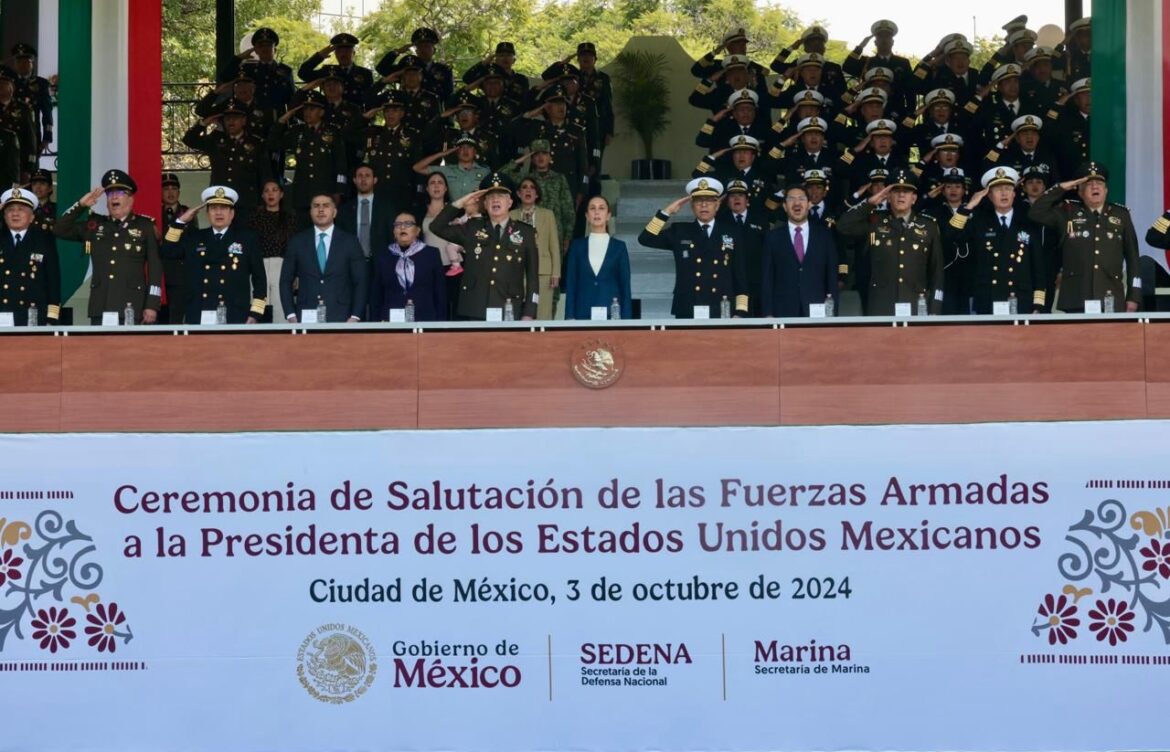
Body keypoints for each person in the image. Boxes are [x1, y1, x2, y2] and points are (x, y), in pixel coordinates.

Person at [1027, 162, 1140, 313]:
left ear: (1106, 190)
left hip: (1111, 296)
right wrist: (1061, 188)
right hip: (1076, 296)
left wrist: (1134, 296)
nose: (1095, 187)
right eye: (1089, 184)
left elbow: (1133, 258)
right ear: (1079, 192)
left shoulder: (1121, 215)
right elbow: (1035, 213)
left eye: (1099, 183)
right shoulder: (1067, 211)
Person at [54, 170, 162, 324]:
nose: (114, 197)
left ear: (131, 198)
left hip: (132, 306)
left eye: (119, 192)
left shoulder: (145, 226)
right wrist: (80, 205)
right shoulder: (95, 225)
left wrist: (152, 305)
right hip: (101, 305)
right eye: (110, 193)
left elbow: (155, 269)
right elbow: (59, 229)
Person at [430, 172, 540, 320]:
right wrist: (461, 203)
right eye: (490, 197)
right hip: (475, 308)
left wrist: (529, 313)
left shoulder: (526, 232)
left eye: (501, 196)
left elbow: (532, 277)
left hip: (509, 308)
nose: (495, 200)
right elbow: (436, 227)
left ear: (510, 203)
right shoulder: (472, 228)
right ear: (485, 204)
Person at [836, 168, 944, 316]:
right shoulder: (875, 221)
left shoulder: (929, 226)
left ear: (914, 198)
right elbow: (843, 226)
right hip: (881, 306)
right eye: (895, 191)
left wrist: (934, 309)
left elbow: (936, 272)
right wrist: (869, 203)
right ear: (887, 196)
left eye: (906, 191)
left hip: (917, 305)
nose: (901, 195)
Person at [637, 177, 749, 318]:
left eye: (709, 201)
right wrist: (667, 212)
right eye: (698, 201)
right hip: (688, 305)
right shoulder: (680, 230)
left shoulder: (731, 232)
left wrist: (740, 311)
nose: (703, 205)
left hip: (723, 306)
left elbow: (740, 275)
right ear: (692, 206)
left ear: (717, 205)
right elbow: (645, 239)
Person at [944, 166, 1046, 314]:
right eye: (998, 190)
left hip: (1022, 300)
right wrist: (970, 206)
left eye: (1008, 189)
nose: (1004, 193)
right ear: (990, 196)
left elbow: (1038, 268)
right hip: (988, 300)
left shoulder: (1028, 223)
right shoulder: (979, 222)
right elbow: (950, 236)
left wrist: (1038, 304)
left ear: (1014, 194)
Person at [162, 186, 267, 324]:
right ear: (207, 214)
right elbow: (168, 252)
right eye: (213, 208)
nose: (218, 213)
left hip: (235, 313)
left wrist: (255, 314)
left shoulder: (247, 239)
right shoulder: (194, 237)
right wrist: (180, 222)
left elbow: (260, 279)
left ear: (232, 214)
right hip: (199, 313)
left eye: (223, 208)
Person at [280, 194, 368, 323]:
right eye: (316, 206)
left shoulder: (350, 241)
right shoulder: (297, 242)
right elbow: (285, 280)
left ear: (334, 212)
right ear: (310, 212)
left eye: (326, 206)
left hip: (342, 316)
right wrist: (290, 314)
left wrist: (355, 316)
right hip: (305, 316)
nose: (320, 210)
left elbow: (361, 281)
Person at [182, 99, 271, 221]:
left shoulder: (256, 143)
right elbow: (189, 140)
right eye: (228, 118)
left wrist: (262, 202)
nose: (231, 121)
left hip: (247, 203)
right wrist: (203, 124)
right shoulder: (216, 140)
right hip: (221, 201)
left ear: (244, 120)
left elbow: (264, 174)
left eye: (235, 118)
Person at [267, 91, 347, 227]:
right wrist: (282, 121)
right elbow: (272, 145)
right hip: (301, 194)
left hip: (325, 192)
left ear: (321, 112)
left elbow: (340, 163)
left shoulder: (333, 132)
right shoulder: (295, 132)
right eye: (305, 109)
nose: (307, 112)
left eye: (312, 109)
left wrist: (339, 190)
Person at [760, 184, 839, 317]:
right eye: (791, 199)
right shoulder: (772, 237)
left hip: (817, 310)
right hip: (783, 311)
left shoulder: (824, 236)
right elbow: (767, 278)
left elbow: (831, 277)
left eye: (801, 199)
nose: (797, 203)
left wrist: (832, 313)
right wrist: (768, 313)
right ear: (785, 206)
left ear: (809, 204)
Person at [501, 139, 575, 257]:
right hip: (528, 230)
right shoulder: (526, 179)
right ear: (532, 157)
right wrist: (523, 158)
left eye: (544, 153)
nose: (540, 157)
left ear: (550, 157)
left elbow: (568, 209)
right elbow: (501, 175)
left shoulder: (559, 179)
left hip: (554, 233)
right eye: (536, 154)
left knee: (552, 271)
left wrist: (567, 237)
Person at [369, 210, 446, 322]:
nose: (402, 227)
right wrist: (375, 323)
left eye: (408, 224)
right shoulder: (384, 256)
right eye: (398, 225)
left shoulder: (431, 254)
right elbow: (377, 294)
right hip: (391, 320)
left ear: (418, 230)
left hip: (425, 318)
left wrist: (440, 324)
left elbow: (440, 292)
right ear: (394, 232)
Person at [0, 186, 59, 325]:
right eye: (10, 210)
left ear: (32, 217)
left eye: (21, 210)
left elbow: (53, 282)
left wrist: (52, 317)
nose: (15, 214)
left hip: (33, 317)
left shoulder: (44, 241)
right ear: (4, 216)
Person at [565, 195, 631, 319]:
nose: (596, 212)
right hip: (582, 312)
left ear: (608, 215)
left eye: (601, 208)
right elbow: (571, 283)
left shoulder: (619, 247)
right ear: (587, 216)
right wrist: (569, 316)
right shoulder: (577, 246)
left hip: (612, 314)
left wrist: (626, 321)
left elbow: (625, 286)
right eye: (592, 208)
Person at [510, 177, 561, 319]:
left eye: (532, 187)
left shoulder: (547, 214)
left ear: (537, 194)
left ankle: (545, 341)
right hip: (517, 271)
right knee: (518, 312)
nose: (528, 190)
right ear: (518, 194)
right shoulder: (510, 215)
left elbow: (554, 245)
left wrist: (556, 273)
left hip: (543, 271)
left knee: (543, 312)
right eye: (524, 187)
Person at [248, 179, 297, 322]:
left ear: (281, 194)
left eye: (274, 190)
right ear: (262, 195)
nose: (270, 194)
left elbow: (293, 247)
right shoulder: (254, 218)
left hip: (282, 264)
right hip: (259, 264)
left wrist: (295, 273)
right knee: (258, 302)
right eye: (266, 191)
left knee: (281, 303)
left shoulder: (290, 218)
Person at [223, 27, 295, 109]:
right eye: (261, 46)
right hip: (252, 117)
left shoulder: (285, 71)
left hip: (276, 118)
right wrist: (239, 58)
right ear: (256, 50)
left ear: (275, 50)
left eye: (268, 45)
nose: (265, 48)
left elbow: (292, 100)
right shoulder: (247, 69)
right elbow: (224, 77)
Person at [298, 33, 374, 106]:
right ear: (335, 54)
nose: (343, 54)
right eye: (340, 51)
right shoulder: (327, 71)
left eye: (347, 51)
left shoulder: (365, 74)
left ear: (353, 53)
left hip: (357, 116)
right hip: (331, 116)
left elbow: (370, 100)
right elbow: (303, 73)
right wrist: (319, 56)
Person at [337, 164, 394, 261]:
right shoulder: (344, 209)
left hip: (381, 260)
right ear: (354, 180)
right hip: (352, 261)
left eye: (367, 175)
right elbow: (340, 238)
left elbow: (392, 235)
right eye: (360, 176)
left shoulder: (387, 207)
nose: (363, 179)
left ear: (375, 180)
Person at [6, 44, 52, 155]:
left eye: (26, 61)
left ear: (32, 63)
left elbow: (47, 112)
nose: (22, 65)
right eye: (19, 62)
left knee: (31, 168)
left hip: (32, 135)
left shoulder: (41, 84)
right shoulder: (8, 83)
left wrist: (47, 137)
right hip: (10, 134)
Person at [413, 135, 489, 200]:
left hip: (477, 213)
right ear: (456, 152)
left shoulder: (485, 171)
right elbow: (417, 168)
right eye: (461, 148)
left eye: (469, 147)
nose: (465, 150)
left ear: (475, 152)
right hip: (453, 214)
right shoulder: (447, 170)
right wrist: (441, 154)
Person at [28, 168, 55, 233]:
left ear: (50, 188)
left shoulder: (56, 209)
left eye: (42, 183)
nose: (38, 187)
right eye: (34, 184)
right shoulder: (26, 210)